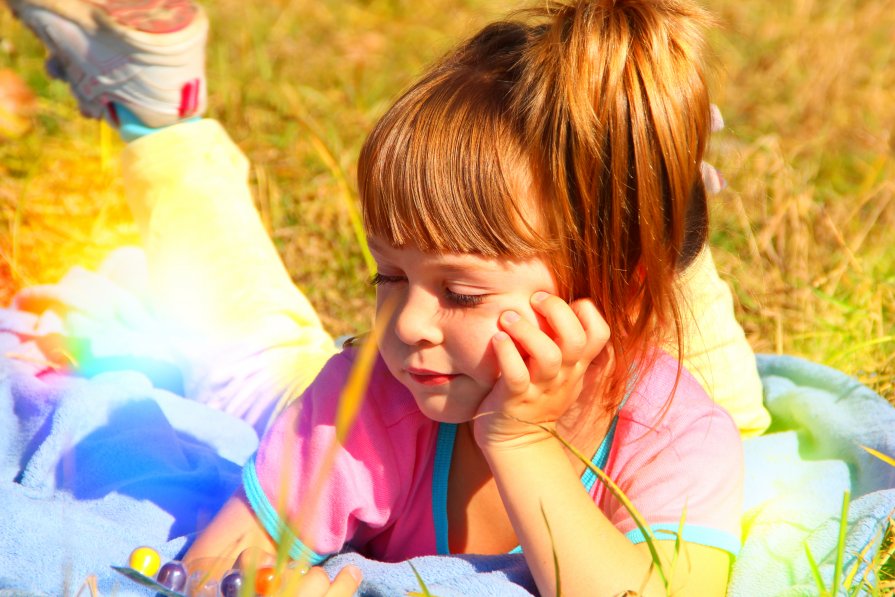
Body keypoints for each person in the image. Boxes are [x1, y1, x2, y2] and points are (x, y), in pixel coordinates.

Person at [7, 0, 766, 594]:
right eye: (388, 276)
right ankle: (156, 115)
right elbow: (218, 561)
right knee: (253, 354)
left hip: (636, 342)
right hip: (347, 397)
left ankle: (658, 174)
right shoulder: (373, 390)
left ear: (607, 292)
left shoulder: (678, 434)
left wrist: (521, 439)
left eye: (461, 292)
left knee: (740, 411)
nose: (405, 324)